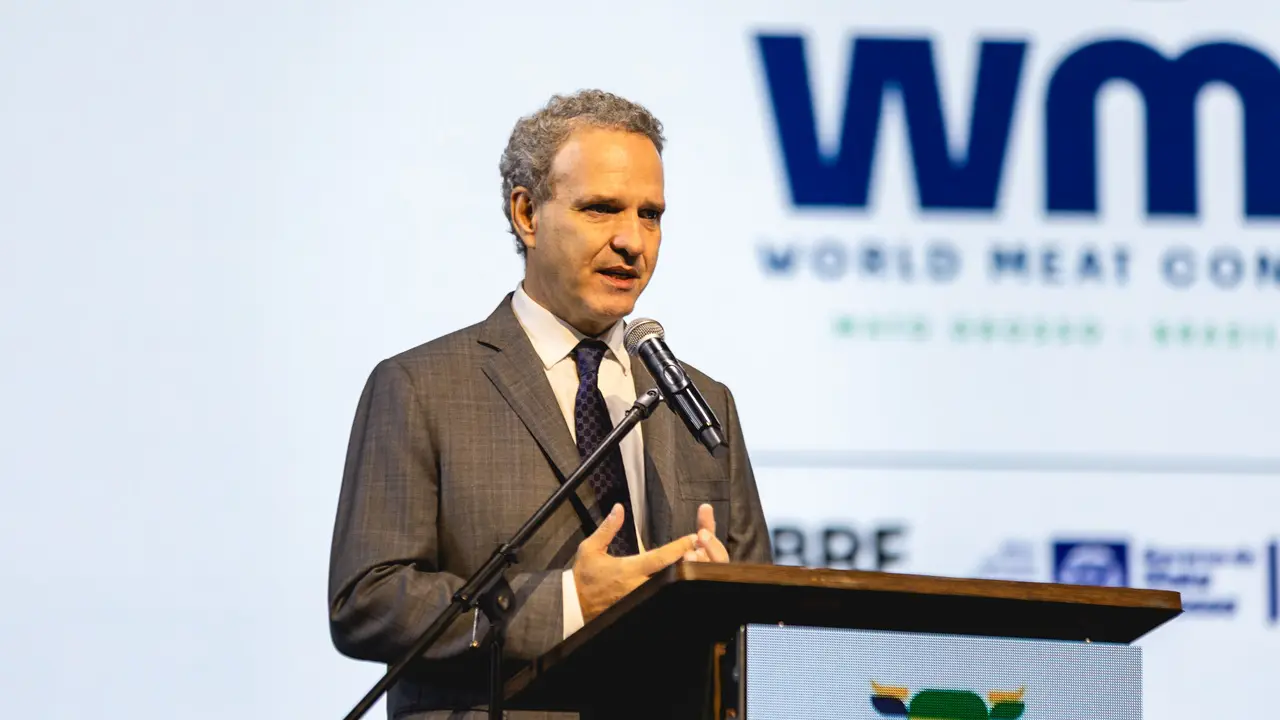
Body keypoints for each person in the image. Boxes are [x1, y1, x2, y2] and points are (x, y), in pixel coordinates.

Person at [328, 89, 772, 719]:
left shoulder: (703, 403)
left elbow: (760, 615)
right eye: (601, 209)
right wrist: (568, 603)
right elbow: (367, 603)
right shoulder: (421, 387)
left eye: (651, 215)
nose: (632, 242)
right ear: (527, 214)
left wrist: (723, 600)